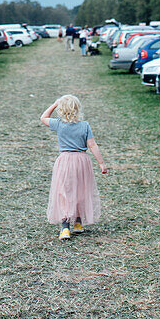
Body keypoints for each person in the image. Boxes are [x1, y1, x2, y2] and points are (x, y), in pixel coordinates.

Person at [40, 94, 107, 240]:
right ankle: (78, 222)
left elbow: (43, 117)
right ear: (78, 108)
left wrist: (54, 104)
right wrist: (101, 163)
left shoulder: (58, 124)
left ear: (61, 109)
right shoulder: (85, 125)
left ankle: (65, 228)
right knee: (80, 190)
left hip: (65, 161)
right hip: (82, 161)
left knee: (64, 192)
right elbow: (92, 145)